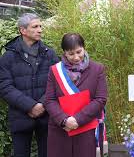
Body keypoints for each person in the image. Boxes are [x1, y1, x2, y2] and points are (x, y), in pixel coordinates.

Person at [0, 13, 59, 157]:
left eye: (40, 26)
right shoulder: (8, 57)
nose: (40, 30)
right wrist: (29, 106)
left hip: (46, 116)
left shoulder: (49, 54)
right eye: (35, 27)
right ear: (23, 30)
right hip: (20, 115)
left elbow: (57, 82)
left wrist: (42, 104)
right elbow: (4, 86)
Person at [44, 33, 107, 157]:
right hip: (61, 130)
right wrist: (64, 120)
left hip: (87, 127)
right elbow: (49, 100)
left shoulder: (97, 69)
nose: (76, 57)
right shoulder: (55, 70)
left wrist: (77, 119)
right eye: (71, 54)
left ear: (84, 48)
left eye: (79, 52)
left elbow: (100, 99)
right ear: (64, 53)